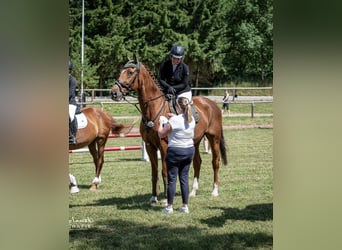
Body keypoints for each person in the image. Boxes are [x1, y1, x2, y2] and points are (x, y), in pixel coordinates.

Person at [158, 97, 195, 214]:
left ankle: (169, 207)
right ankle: (185, 206)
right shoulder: (192, 119)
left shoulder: (175, 121)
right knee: (184, 178)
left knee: (172, 179)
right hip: (189, 150)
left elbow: (161, 134)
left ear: (178, 107)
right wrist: (173, 117)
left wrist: (161, 123)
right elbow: (181, 122)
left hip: (175, 151)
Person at [69, 61, 78, 144]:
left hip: (70, 103)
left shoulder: (73, 80)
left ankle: (72, 136)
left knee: (69, 116)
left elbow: (70, 93)